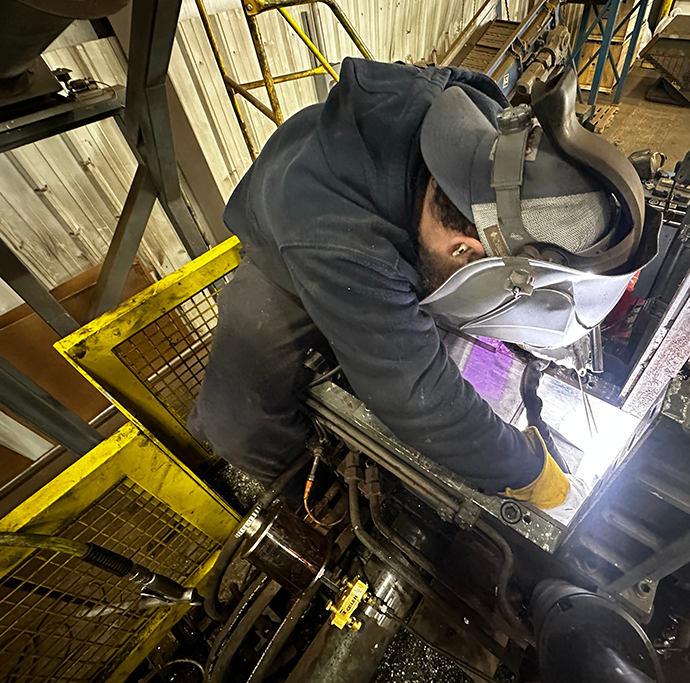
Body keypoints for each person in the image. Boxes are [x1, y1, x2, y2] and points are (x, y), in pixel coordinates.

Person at [189, 57, 652, 512]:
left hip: (360, 214)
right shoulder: (344, 247)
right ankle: (305, 508)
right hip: (288, 242)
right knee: (235, 421)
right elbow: (420, 400)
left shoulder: (479, 122)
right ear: (464, 249)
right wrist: (527, 473)